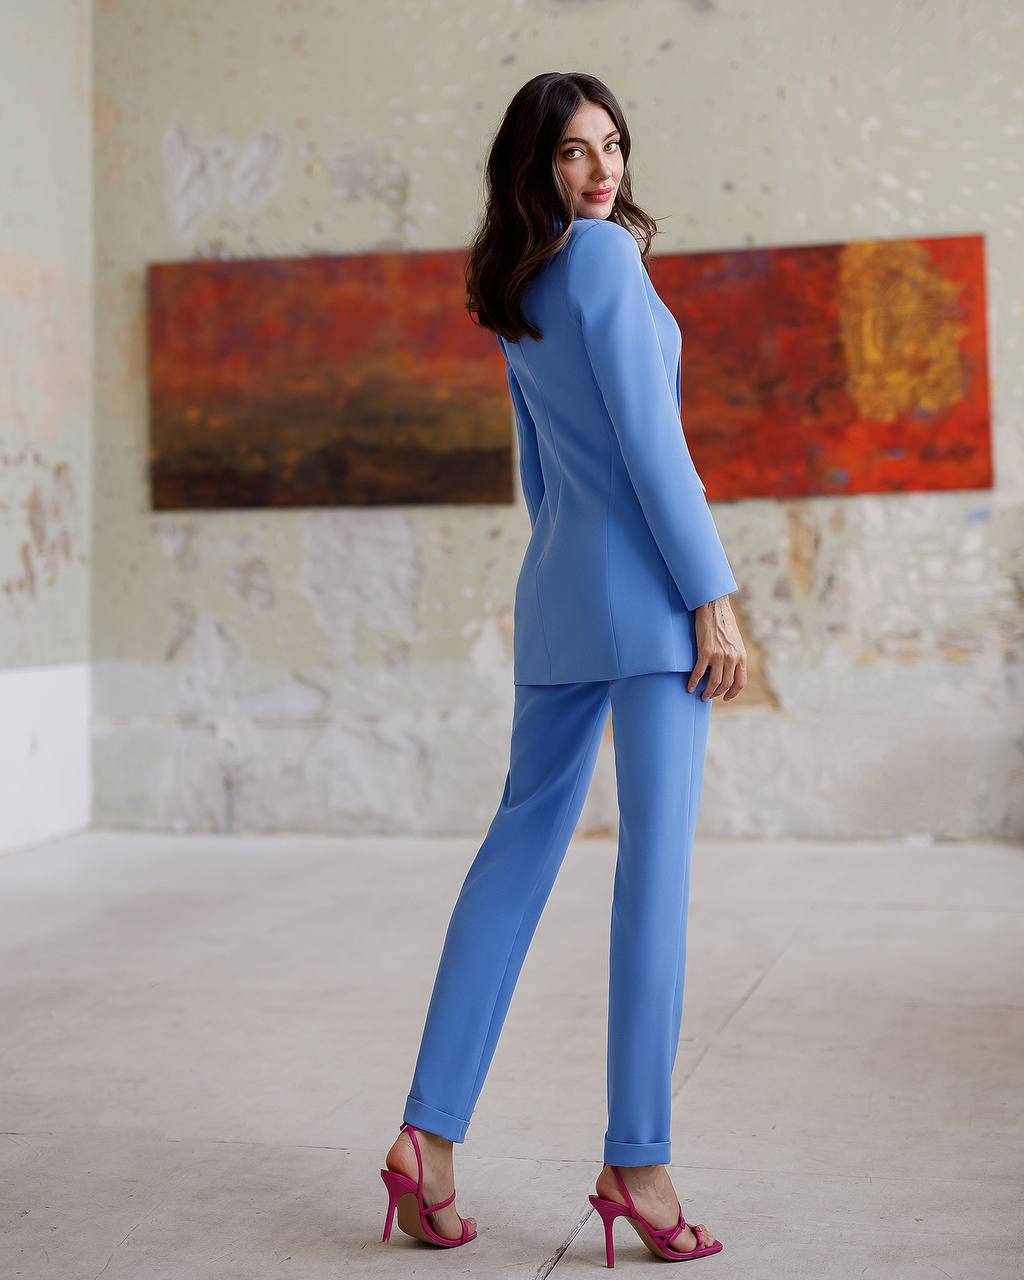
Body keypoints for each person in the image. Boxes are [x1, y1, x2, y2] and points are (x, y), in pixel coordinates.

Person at [379, 71, 746, 1264]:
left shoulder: (516, 282)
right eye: (576, 151)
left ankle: (426, 1139)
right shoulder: (605, 261)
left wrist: (566, 580)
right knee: (653, 874)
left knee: (514, 855)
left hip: (557, 597)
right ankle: (637, 1161)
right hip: (650, 601)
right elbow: (654, 445)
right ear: (534, 164)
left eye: (613, 145)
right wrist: (711, 598)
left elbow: (538, 469)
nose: (602, 170)